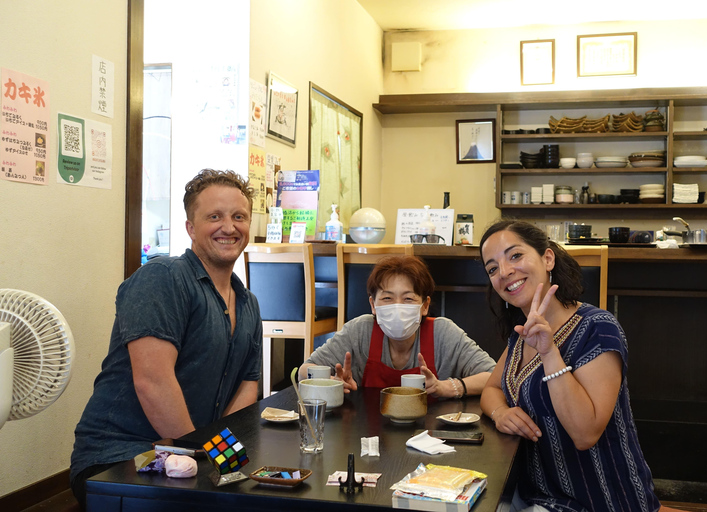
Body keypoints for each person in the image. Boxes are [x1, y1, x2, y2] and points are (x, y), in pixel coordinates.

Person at [70, 169, 262, 507]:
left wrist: (226, 459)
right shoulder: (162, 278)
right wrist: (205, 457)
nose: (229, 227)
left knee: (262, 496)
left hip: (192, 453)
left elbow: (249, 384)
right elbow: (153, 382)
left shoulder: (248, 302)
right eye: (214, 216)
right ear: (190, 227)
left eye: (239, 217)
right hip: (123, 455)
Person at [479, 220, 679, 512]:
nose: (505, 272)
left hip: (600, 499)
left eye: (515, 256)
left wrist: (549, 353)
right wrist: (501, 413)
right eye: (492, 268)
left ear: (548, 258)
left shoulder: (597, 327)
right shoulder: (521, 334)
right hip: (537, 494)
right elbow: (492, 388)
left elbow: (585, 434)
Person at [300, 255, 495, 397]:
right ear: (373, 305)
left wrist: (448, 387)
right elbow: (304, 370)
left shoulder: (443, 333)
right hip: (366, 437)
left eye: (408, 298)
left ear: (425, 305)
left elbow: (494, 377)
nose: (398, 307)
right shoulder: (360, 331)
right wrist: (329, 383)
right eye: (387, 298)